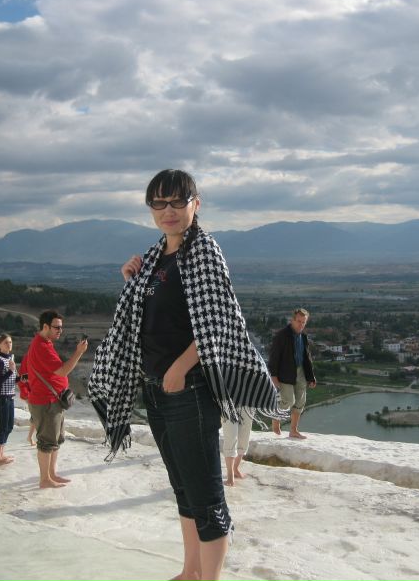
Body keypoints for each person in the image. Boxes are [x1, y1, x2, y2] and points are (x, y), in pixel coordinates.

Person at [87, 169, 284, 581]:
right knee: (183, 490)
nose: (168, 210)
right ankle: (190, 571)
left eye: (178, 201)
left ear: (196, 203)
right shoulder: (155, 257)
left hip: (189, 391)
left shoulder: (204, 252)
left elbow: (219, 321)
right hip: (156, 391)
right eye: (159, 203)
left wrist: (180, 367)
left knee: (207, 498)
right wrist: (132, 282)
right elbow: (152, 318)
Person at [19, 310, 88, 488]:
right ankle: (45, 479)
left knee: (55, 439)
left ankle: (52, 474)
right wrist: (79, 352)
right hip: (46, 402)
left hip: (53, 401)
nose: (60, 331)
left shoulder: (45, 343)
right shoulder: (41, 346)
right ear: (45, 326)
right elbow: (63, 371)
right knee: (47, 442)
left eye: (61, 327)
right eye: (56, 327)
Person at [268, 308, 317, 439]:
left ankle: (293, 430)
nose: (301, 324)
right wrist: (273, 376)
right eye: (299, 321)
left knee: (300, 401)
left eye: (303, 322)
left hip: (301, 371)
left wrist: (311, 377)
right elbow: (274, 357)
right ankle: (275, 420)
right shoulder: (281, 335)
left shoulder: (304, 337)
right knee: (288, 401)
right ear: (292, 320)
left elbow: (307, 358)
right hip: (285, 372)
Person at [0, 333, 17, 466]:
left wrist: (22, 378)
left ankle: (1, 455)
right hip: (2, 398)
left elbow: (12, 379)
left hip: (10, 397)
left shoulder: (11, 358)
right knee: (2, 428)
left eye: (10, 342)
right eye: (6, 342)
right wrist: (10, 371)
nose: (9, 344)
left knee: (9, 427)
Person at [221, 408, 254, 487]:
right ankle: (230, 475)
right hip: (228, 403)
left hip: (248, 404)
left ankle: (235, 468)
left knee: (244, 437)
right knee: (231, 436)